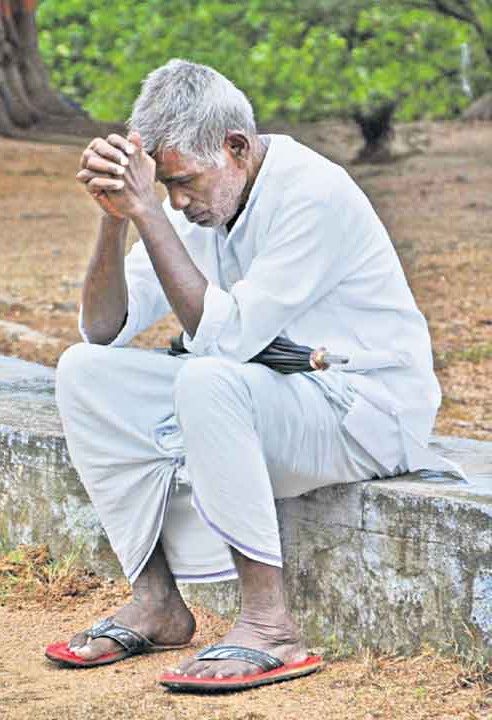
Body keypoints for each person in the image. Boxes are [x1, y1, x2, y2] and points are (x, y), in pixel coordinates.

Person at [43, 59, 462, 691]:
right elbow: (102, 329)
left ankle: (270, 626)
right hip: (277, 398)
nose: (179, 201)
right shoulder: (201, 202)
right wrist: (115, 214)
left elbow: (229, 341)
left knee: (207, 377)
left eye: (183, 183)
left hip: (367, 412)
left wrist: (153, 217)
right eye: (167, 187)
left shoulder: (313, 193)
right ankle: (157, 602)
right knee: (84, 372)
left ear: (236, 148)